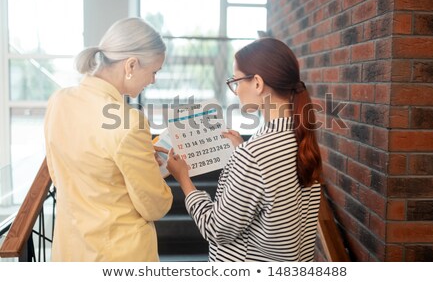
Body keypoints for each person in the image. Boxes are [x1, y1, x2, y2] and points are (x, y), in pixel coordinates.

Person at [167, 37, 322, 262]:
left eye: (236, 81)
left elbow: (216, 230)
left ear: (257, 83)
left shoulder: (254, 155)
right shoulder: (300, 139)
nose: (235, 90)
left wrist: (184, 180)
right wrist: (243, 149)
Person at [44, 17, 173, 261]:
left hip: (70, 249)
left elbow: (58, 174)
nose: (153, 80)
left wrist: (142, 159)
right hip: (119, 255)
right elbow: (154, 205)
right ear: (131, 65)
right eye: (154, 71)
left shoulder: (58, 101)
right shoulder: (128, 121)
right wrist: (164, 171)